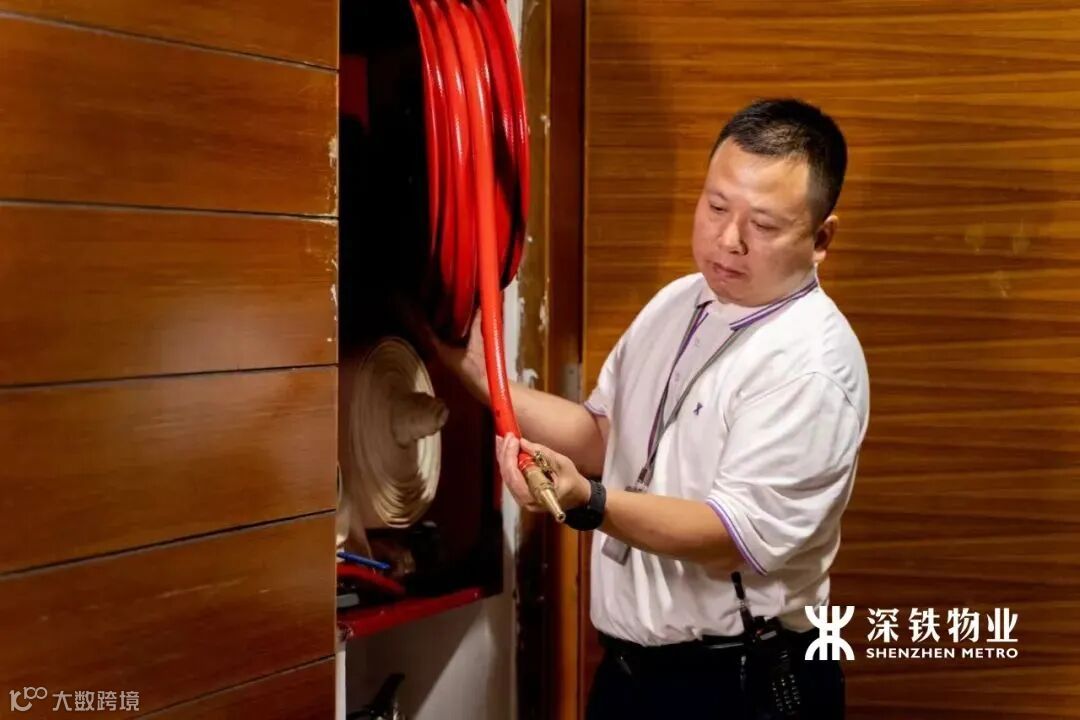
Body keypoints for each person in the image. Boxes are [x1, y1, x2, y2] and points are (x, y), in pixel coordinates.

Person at [437, 98, 868, 718]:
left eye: (764, 226)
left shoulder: (812, 364)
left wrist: (590, 501)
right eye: (716, 207)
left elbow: (729, 536)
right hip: (630, 672)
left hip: (739, 682)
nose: (729, 240)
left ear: (821, 238)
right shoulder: (679, 300)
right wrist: (481, 379)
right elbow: (603, 436)